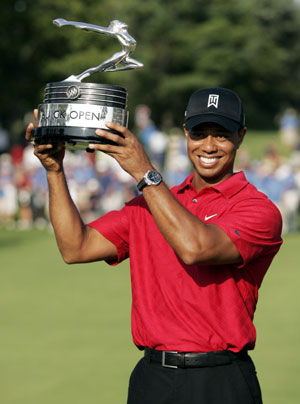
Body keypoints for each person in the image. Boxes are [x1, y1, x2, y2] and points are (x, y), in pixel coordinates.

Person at [26, 87, 283, 404]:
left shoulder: (258, 209)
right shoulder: (153, 201)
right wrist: (54, 170)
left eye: (222, 134)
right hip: (153, 378)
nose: (209, 145)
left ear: (240, 136)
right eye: (200, 133)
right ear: (186, 134)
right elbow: (75, 248)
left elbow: (195, 248)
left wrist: (144, 172)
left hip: (220, 380)